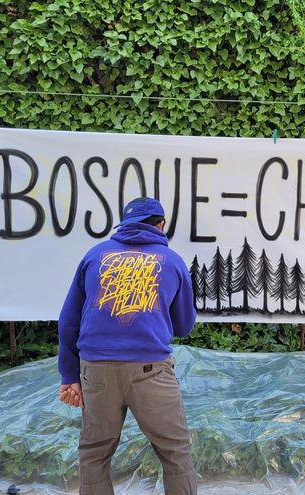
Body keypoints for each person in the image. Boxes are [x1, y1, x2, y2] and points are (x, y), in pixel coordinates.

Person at [57, 196, 198, 495]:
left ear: (125, 224)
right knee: (175, 453)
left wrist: (69, 376)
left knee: (94, 454)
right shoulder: (172, 261)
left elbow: (68, 321)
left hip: (96, 372)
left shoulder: (94, 256)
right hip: (151, 372)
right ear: (161, 225)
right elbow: (184, 326)